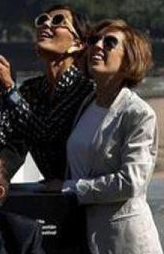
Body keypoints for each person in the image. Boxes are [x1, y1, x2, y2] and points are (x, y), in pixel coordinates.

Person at [59, 20, 161, 254]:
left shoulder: (138, 113)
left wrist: (70, 188)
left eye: (110, 42)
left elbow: (130, 183)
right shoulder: (86, 104)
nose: (97, 46)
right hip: (84, 236)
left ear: (128, 60)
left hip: (124, 242)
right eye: (94, 40)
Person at [0, 5, 94, 180]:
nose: (46, 25)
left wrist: (8, 88)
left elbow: (47, 135)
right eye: (42, 20)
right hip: (51, 193)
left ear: (78, 44)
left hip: (81, 192)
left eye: (58, 21)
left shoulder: (84, 88)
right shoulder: (32, 89)